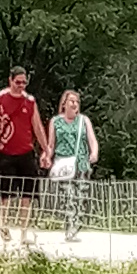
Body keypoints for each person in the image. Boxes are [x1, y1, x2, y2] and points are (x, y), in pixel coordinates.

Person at [0, 63, 45, 239]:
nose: (21, 86)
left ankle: (23, 231)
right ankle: (3, 225)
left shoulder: (30, 101)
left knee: (28, 193)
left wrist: (46, 149)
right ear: (10, 80)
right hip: (5, 151)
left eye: (24, 82)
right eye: (18, 82)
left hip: (26, 151)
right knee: (6, 193)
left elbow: (37, 126)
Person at [48, 84, 99, 237]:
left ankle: (76, 223)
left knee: (81, 196)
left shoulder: (84, 120)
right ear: (64, 104)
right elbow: (51, 143)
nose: (75, 104)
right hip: (64, 164)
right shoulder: (56, 122)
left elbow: (92, 139)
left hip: (81, 164)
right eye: (72, 101)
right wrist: (47, 156)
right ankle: (70, 226)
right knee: (68, 195)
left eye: (77, 101)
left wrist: (94, 152)